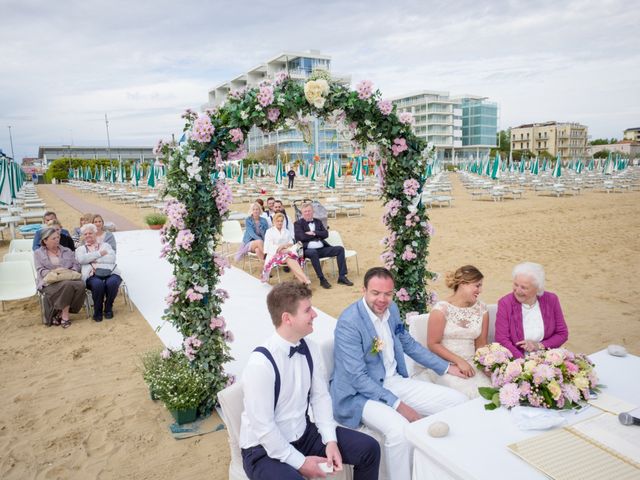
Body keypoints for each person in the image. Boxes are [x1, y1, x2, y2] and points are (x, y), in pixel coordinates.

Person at [330, 267, 468, 480]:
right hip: (358, 395)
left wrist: (446, 367)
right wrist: (399, 405)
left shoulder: (392, 309)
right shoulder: (349, 323)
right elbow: (357, 377)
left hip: (393, 382)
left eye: (387, 293)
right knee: (400, 431)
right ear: (363, 290)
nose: (382, 299)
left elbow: (409, 344)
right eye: (375, 293)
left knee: (459, 401)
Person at [239, 282, 381, 480]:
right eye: (307, 310)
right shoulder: (260, 365)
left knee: (369, 448)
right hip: (262, 450)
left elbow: (320, 397)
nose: (315, 314)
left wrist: (330, 441)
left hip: (304, 435)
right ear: (287, 318)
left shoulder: (311, 349)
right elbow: (264, 429)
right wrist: (301, 462)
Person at [421, 265, 491, 399]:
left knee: (489, 392)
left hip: (473, 364)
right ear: (463, 284)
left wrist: (487, 365)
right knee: (465, 396)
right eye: (477, 285)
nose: (480, 290)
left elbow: (481, 344)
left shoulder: (482, 309)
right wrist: (459, 361)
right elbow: (433, 344)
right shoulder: (441, 310)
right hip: (447, 365)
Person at [495, 262, 568, 359]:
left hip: (547, 357)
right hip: (517, 360)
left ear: (537, 289)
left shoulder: (551, 300)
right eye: (516, 284)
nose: (517, 290)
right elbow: (502, 339)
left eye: (524, 287)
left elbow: (562, 334)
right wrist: (524, 362)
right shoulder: (505, 303)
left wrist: (539, 346)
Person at [34, 227, 86, 328]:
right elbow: (40, 270)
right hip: (50, 282)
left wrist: (72, 271)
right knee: (67, 285)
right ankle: (65, 316)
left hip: (68, 278)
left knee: (81, 285)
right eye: (53, 238)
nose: (57, 240)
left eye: (58, 237)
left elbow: (76, 265)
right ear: (45, 240)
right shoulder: (38, 253)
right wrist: (55, 273)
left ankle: (61, 312)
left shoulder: (66, 250)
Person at [294, 202, 353, 289]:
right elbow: (300, 237)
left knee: (340, 249)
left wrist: (314, 233)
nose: (307, 213)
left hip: (322, 249)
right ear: (302, 213)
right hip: (307, 251)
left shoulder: (318, 221)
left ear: (313, 211)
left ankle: (342, 276)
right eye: (305, 211)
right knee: (313, 253)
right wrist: (317, 235)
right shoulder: (297, 224)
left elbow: (325, 234)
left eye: (309, 211)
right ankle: (322, 279)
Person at [75, 223, 122, 322]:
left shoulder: (106, 245)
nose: (88, 235)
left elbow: (112, 258)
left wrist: (93, 259)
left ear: (95, 234)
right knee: (98, 284)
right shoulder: (80, 249)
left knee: (113, 282)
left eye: (90, 233)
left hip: (110, 272)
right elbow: (82, 259)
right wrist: (99, 254)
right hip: (92, 275)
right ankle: (98, 310)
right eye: (85, 234)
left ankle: (108, 307)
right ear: (83, 236)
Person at [262, 213, 310, 285]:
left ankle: (303, 281)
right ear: (274, 222)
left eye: (281, 221)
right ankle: (305, 278)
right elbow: (268, 246)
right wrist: (280, 249)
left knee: (292, 255)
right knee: (289, 257)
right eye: (278, 221)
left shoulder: (286, 231)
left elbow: (290, 243)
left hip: (287, 252)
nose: (280, 223)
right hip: (274, 255)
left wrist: (283, 246)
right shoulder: (269, 232)